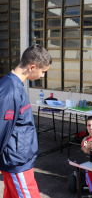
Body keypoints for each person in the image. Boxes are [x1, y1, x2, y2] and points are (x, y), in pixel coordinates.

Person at [0, 44, 52, 198]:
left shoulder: (15, 85)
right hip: (17, 163)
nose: (42, 76)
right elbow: (1, 129)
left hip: (18, 160)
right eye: (43, 71)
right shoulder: (10, 91)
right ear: (32, 67)